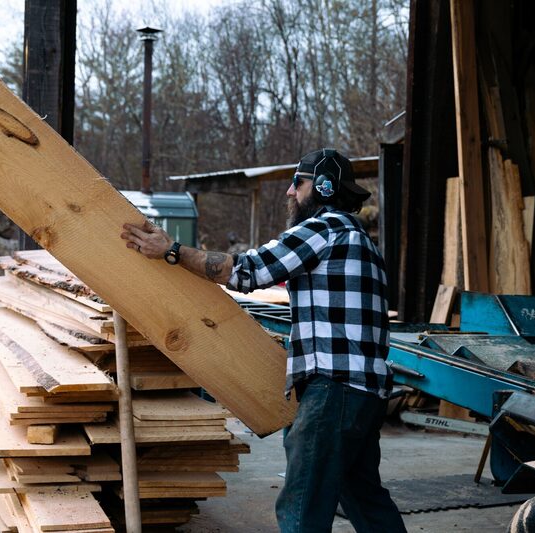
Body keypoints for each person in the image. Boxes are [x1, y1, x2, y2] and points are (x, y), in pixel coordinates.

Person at [120, 148, 406, 533]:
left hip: (334, 391)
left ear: (323, 187)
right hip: (367, 394)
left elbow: (248, 271)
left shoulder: (323, 230)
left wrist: (172, 251)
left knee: (301, 507)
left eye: (298, 183)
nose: (290, 192)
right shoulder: (363, 242)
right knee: (366, 499)